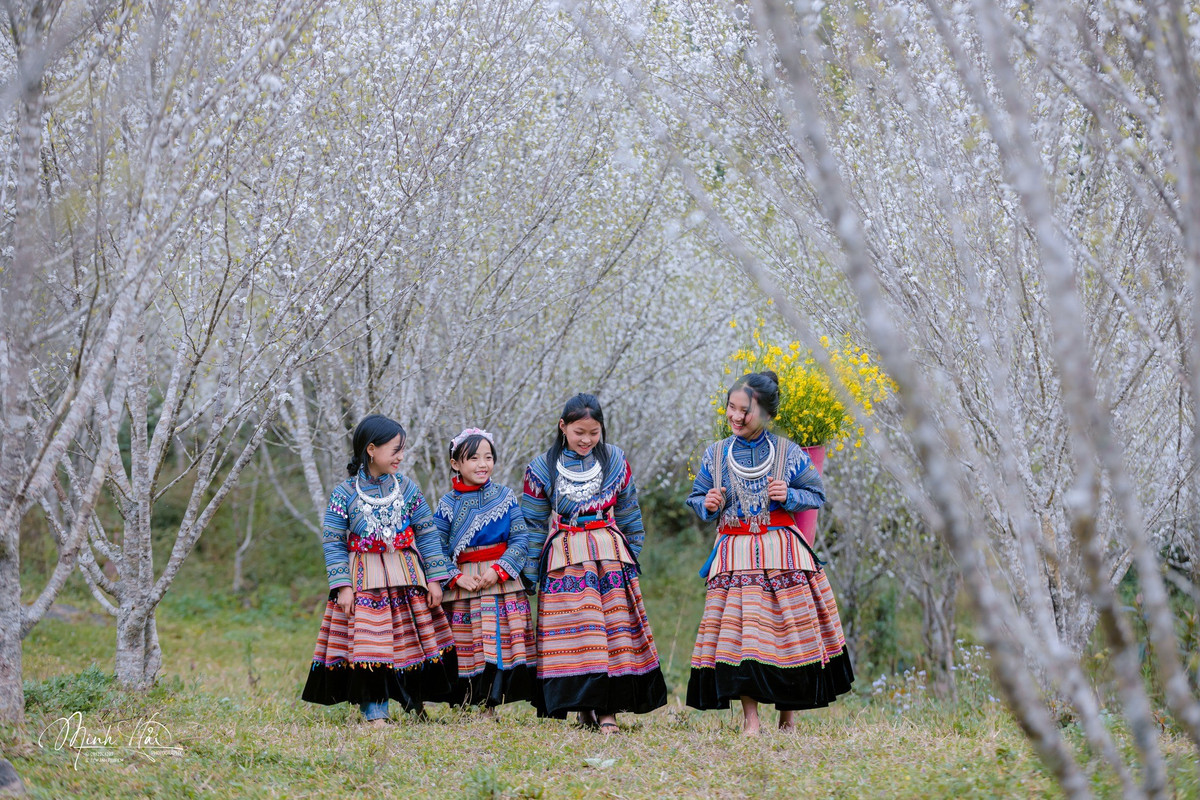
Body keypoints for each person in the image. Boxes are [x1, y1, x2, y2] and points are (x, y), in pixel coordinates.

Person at [685, 371, 854, 735]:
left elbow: (816, 495)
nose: (735, 416)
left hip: (782, 553)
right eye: (731, 407)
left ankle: (787, 718)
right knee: (744, 636)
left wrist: (789, 496)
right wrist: (708, 504)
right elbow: (696, 498)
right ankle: (751, 720)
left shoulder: (789, 453)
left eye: (745, 410)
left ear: (766, 414)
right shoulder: (715, 455)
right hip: (735, 556)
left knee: (787, 633)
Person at [521, 393, 668, 734]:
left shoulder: (615, 460)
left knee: (612, 633)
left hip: (608, 554)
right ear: (563, 427)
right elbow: (531, 524)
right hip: (566, 556)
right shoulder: (542, 467)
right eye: (578, 432)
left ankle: (608, 713)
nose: (586, 440)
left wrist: (631, 551)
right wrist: (530, 572)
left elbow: (630, 510)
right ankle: (584, 707)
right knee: (580, 633)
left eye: (594, 432)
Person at [302, 414, 457, 727]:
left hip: (406, 577)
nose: (401, 456)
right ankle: (375, 711)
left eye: (402, 449)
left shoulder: (408, 489)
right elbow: (333, 543)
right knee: (371, 643)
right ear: (371, 449)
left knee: (411, 641)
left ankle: (415, 703)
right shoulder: (344, 494)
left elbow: (427, 533)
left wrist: (436, 580)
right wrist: (342, 586)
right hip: (365, 580)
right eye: (395, 449)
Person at [434, 427, 535, 713]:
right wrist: (456, 577)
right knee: (466, 644)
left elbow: (520, 538)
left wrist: (500, 569)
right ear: (456, 464)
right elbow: (436, 547)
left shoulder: (505, 496)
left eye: (488, 457)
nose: (482, 464)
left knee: (499, 644)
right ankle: (464, 703)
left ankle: (491, 705)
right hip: (464, 584)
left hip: (499, 582)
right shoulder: (447, 504)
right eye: (474, 458)